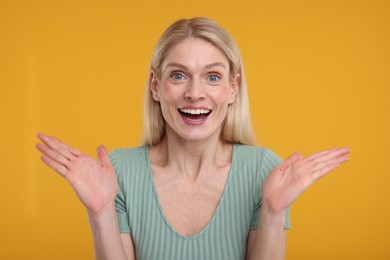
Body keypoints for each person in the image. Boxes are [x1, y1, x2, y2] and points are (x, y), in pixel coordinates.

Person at [36, 17, 350, 260]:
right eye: (178, 75)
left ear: (232, 89)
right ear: (156, 87)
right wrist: (101, 212)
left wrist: (273, 212)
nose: (195, 93)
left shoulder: (263, 171)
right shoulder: (118, 172)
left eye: (212, 77)